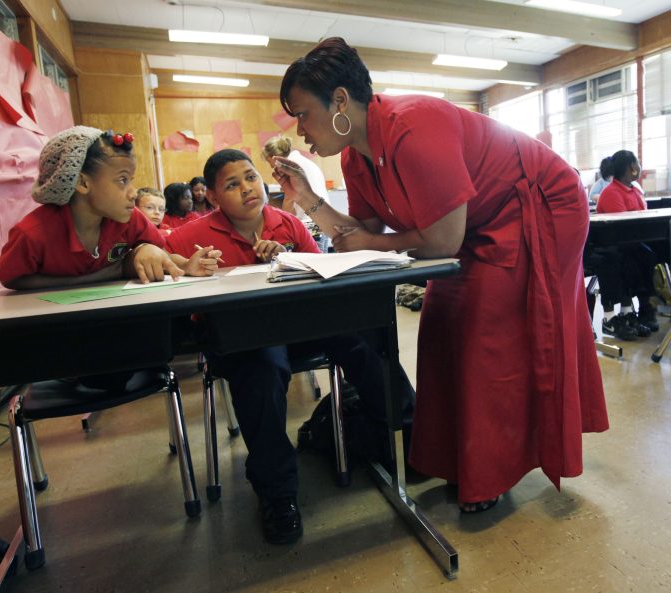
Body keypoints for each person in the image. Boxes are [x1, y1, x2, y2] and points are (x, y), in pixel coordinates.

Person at [273, 37, 609, 513]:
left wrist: (372, 241)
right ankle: (461, 458)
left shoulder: (412, 126)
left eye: (303, 113)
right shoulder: (355, 157)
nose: (300, 130)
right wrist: (307, 198)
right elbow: (358, 234)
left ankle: (492, 472)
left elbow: (441, 242)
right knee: (439, 328)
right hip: (475, 223)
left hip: (540, 205)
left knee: (487, 332)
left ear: (341, 101)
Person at [166, 148, 396, 543]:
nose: (246, 189)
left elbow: (323, 279)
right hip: (244, 341)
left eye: (251, 177)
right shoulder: (191, 235)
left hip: (301, 325)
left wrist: (287, 259)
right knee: (263, 366)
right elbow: (159, 270)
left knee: (364, 335)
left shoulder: (286, 224)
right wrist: (186, 269)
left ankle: (400, 434)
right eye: (231, 185)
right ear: (214, 198)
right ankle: (277, 493)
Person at [0, 126, 219, 290]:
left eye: (131, 180)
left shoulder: (130, 219)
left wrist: (186, 265)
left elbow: (163, 255)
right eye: (122, 181)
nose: (133, 192)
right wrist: (98, 277)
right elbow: (11, 279)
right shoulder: (33, 233)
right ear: (82, 183)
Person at [593, 150, 658, 340]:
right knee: (631, 258)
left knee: (649, 253)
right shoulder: (611, 192)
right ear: (631, 168)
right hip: (610, 246)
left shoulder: (634, 190)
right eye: (637, 163)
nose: (639, 167)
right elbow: (623, 228)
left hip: (629, 244)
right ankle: (612, 318)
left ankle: (636, 310)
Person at [262, 136, 329, 222]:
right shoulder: (306, 162)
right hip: (325, 216)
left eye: (269, 161)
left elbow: (289, 203)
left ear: (274, 157)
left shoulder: (289, 167)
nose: (271, 166)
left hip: (310, 220)